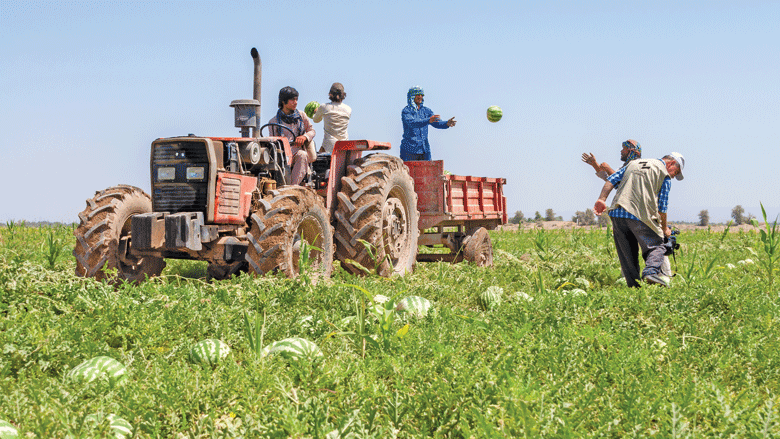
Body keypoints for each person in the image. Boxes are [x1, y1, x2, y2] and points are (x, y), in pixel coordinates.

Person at [593, 152, 685, 288]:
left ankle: (634, 288)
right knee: (658, 245)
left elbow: (612, 179)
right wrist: (664, 229)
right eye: (675, 172)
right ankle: (650, 272)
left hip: (618, 214)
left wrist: (602, 199)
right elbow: (662, 207)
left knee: (627, 255)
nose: (673, 175)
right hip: (640, 215)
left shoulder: (633, 164)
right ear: (671, 163)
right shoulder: (664, 174)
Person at [268, 86, 316, 185]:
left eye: (296, 99)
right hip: (282, 154)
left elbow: (312, 131)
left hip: (297, 151)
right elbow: (273, 142)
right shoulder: (273, 122)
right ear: (283, 101)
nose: (296, 102)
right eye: (292, 100)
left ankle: (293, 187)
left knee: (302, 155)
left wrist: (304, 137)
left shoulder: (301, 116)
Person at [400, 86, 456, 161]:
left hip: (424, 149)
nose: (420, 97)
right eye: (418, 94)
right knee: (409, 172)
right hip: (409, 150)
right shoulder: (406, 111)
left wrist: (447, 123)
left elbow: (436, 122)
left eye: (421, 95)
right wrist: (428, 120)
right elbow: (412, 123)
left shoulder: (426, 111)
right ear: (412, 96)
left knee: (428, 171)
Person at [311, 82, 351, 153]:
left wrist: (316, 112)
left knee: (318, 160)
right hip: (344, 143)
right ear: (343, 95)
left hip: (329, 144)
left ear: (330, 94)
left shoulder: (324, 107)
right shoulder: (348, 109)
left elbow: (316, 120)